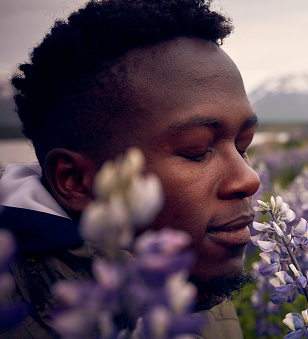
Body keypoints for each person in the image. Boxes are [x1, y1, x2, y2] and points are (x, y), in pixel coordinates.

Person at [0, 0, 260, 338]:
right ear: (75, 181)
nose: (249, 179)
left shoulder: (197, 274)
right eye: (196, 151)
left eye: (243, 146)